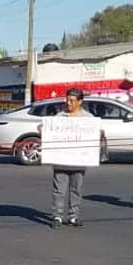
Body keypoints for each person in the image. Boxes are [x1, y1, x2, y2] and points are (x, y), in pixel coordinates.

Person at [49, 88, 98, 229]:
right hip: (61, 160)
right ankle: (57, 216)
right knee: (59, 190)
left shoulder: (88, 119)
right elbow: (49, 131)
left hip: (79, 160)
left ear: (80, 102)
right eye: (67, 99)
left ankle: (73, 217)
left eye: (72, 100)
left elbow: (96, 133)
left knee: (76, 189)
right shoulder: (59, 117)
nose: (68, 103)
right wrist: (44, 129)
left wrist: (98, 132)